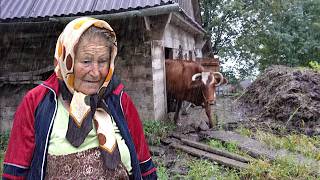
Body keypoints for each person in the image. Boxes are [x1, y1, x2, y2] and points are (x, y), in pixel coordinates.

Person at [2, 17, 157, 180]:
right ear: (66, 59)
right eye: (86, 61)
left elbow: (145, 167)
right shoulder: (37, 102)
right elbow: (14, 173)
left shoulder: (119, 100)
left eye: (103, 61)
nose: (96, 72)